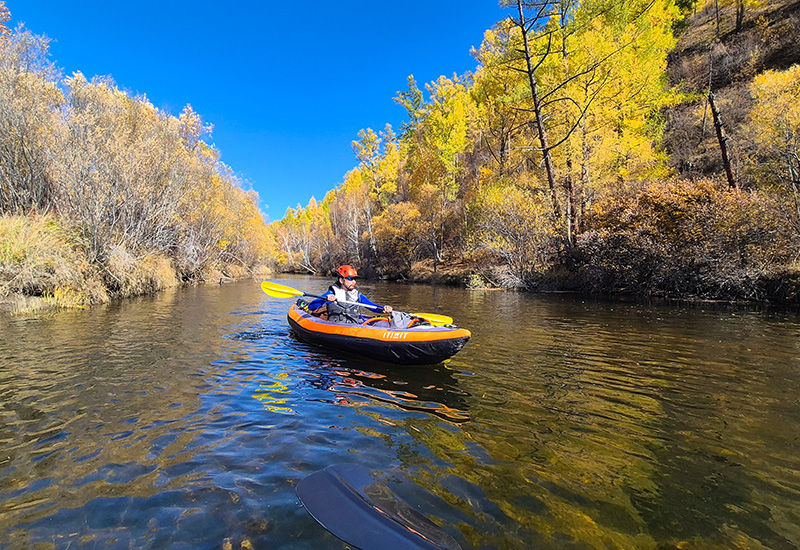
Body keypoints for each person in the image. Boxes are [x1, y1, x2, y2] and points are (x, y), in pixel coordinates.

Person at [307, 265, 392, 324]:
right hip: (335, 326)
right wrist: (325, 299)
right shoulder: (331, 293)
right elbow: (311, 307)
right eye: (350, 279)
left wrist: (383, 309)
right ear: (341, 280)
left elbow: (372, 306)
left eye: (355, 279)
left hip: (353, 326)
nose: (354, 282)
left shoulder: (358, 296)